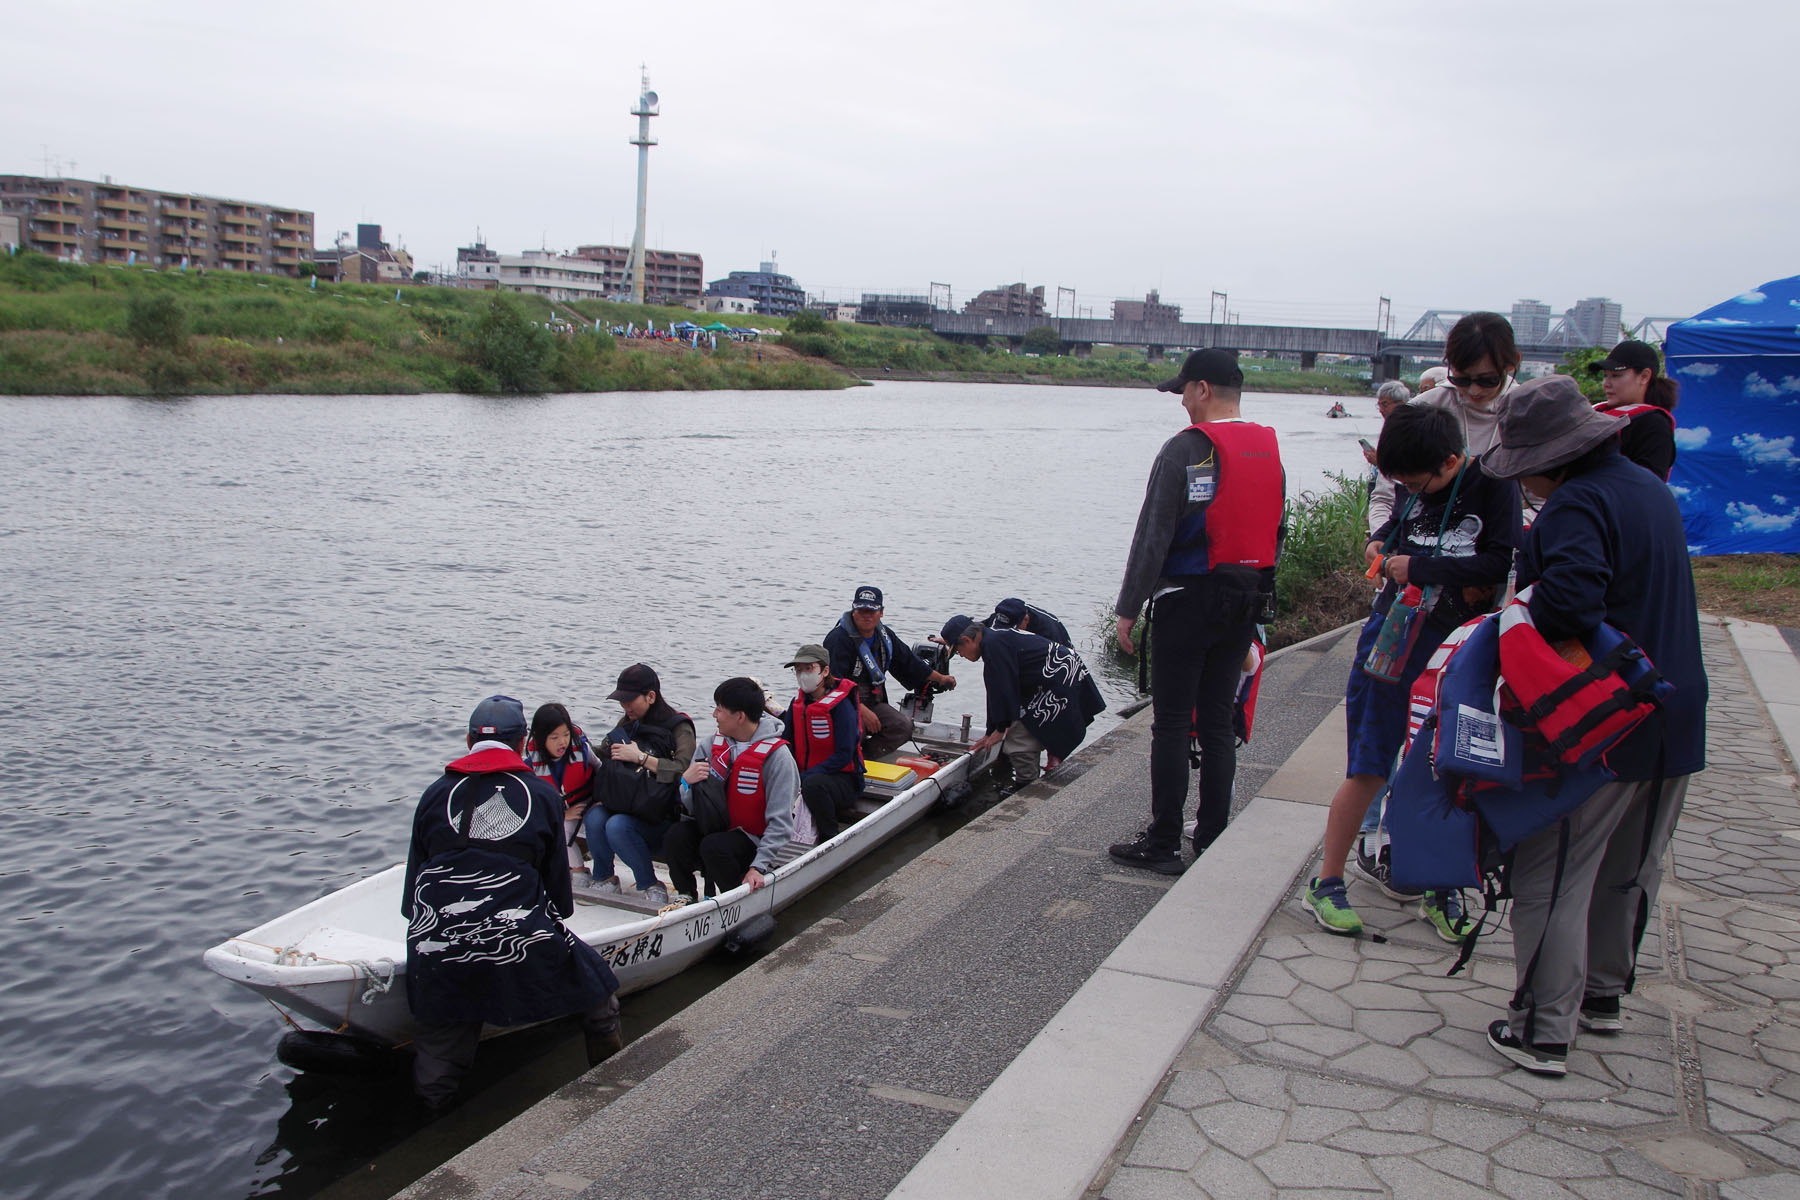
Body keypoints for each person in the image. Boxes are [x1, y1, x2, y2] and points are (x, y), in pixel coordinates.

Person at [1477, 375, 1706, 1076]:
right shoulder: (1647, 487)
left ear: (1549, 458)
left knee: (1555, 869)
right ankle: (1601, 997)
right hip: (1676, 711)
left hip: (1608, 720)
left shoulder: (1576, 503)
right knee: (1629, 869)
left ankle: (1544, 1027)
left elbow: (1573, 600)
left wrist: (1515, 621)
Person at [1302, 404, 1520, 939]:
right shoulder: (1410, 483)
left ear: (1450, 461)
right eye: (1401, 484)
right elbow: (1398, 538)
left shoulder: (1494, 486)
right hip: (1392, 645)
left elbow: (1498, 563)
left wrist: (1418, 566)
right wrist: (1383, 548)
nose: (1410, 492)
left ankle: (1440, 886)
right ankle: (1327, 883)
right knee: (1369, 764)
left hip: (1458, 654)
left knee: (1445, 770)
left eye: (1417, 483)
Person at [1108, 348, 1286, 876]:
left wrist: (1128, 608)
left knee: (1170, 723)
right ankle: (1210, 837)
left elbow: (1153, 535)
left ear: (1203, 389)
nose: (1181, 400)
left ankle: (1162, 842)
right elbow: (1277, 530)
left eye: (1183, 389)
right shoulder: (1268, 450)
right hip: (1245, 598)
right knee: (1215, 721)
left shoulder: (1184, 449)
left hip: (1186, 599)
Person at [401, 695, 622, 1111]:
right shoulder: (542, 796)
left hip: (437, 938)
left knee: (441, 1044)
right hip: (517, 932)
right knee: (600, 995)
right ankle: (608, 1092)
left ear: (468, 741)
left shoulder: (434, 794)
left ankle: (432, 1123)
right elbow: (560, 898)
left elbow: (413, 890)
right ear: (523, 744)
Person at [664, 677, 801, 900]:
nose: (714, 715)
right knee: (675, 836)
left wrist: (759, 866)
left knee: (714, 846)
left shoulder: (778, 758)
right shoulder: (711, 745)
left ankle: (735, 900)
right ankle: (686, 896)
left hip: (752, 839)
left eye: (719, 709)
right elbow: (690, 808)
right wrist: (685, 783)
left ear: (739, 716)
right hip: (714, 827)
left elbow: (781, 823)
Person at [941, 614, 1105, 794]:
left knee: (1018, 733)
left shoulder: (994, 646)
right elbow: (995, 693)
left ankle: (1026, 784)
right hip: (1060, 671)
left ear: (966, 640)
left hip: (1059, 676)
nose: (962, 656)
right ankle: (1029, 771)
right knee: (1014, 720)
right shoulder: (994, 638)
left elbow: (1005, 689)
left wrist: (1002, 729)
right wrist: (991, 731)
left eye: (958, 651)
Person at [583, 664, 695, 906]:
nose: (625, 706)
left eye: (630, 700)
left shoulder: (679, 727)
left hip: (659, 813)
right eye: (621, 701)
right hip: (625, 801)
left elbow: (684, 771)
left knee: (617, 825)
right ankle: (605, 877)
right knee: (594, 818)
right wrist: (574, 743)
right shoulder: (625, 724)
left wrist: (641, 758)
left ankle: (650, 883)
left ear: (651, 696)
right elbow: (603, 755)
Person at [823, 585, 957, 760]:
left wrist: (941, 678)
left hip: (874, 701)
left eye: (872, 611)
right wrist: (861, 711)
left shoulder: (885, 636)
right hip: (843, 704)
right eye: (862, 610)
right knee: (855, 728)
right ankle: (845, 761)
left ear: (881, 612)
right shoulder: (838, 639)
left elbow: (908, 661)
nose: (866, 615)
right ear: (853, 610)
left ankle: (863, 759)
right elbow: (833, 683)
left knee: (903, 726)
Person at [780, 643, 865, 840]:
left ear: (825, 671)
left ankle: (829, 837)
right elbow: (787, 744)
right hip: (805, 775)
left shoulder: (841, 706)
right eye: (798, 670)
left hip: (843, 780)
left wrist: (805, 776)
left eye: (809, 668)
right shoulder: (797, 704)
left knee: (813, 784)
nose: (803, 674)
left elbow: (844, 755)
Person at [1415, 313, 1520, 457]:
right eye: (1462, 380)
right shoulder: (1422, 409)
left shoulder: (1527, 410)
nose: (1474, 391)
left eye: (1487, 380)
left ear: (1512, 363)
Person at [522, 703, 601, 887]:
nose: (562, 742)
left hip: (591, 801)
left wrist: (601, 800)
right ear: (541, 739)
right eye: (554, 737)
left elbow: (601, 770)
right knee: (563, 828)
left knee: (595, 823)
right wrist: (562, 814)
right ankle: (579, 871)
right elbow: (532, 804)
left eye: (566, 735)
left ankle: (601, 872)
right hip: (565, 812)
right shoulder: (531, 766)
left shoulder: (582, 750)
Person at [1586, 340, 1678, 480]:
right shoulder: (1597, 413)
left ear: (1644, 376)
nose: (1606, 384)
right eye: (1605, 376)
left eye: (1616, 375)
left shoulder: (1654, 424)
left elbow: (1647, 485)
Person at [1364, 381, 1412, 538]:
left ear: (1402, 403)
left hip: (1400, 505)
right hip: (1385, 502)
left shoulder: (1412, 430)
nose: (1381, 410)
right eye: (1378, 405)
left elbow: (1410, 473)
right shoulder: (1390, 429)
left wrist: (1381, 462)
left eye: (1385, 404)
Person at [981, 597, 1072, 647]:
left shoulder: (1049, 629)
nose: (1007, 633)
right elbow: (977, 630)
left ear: (1026, 620)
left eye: (1013, 629)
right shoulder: (1000, 615)